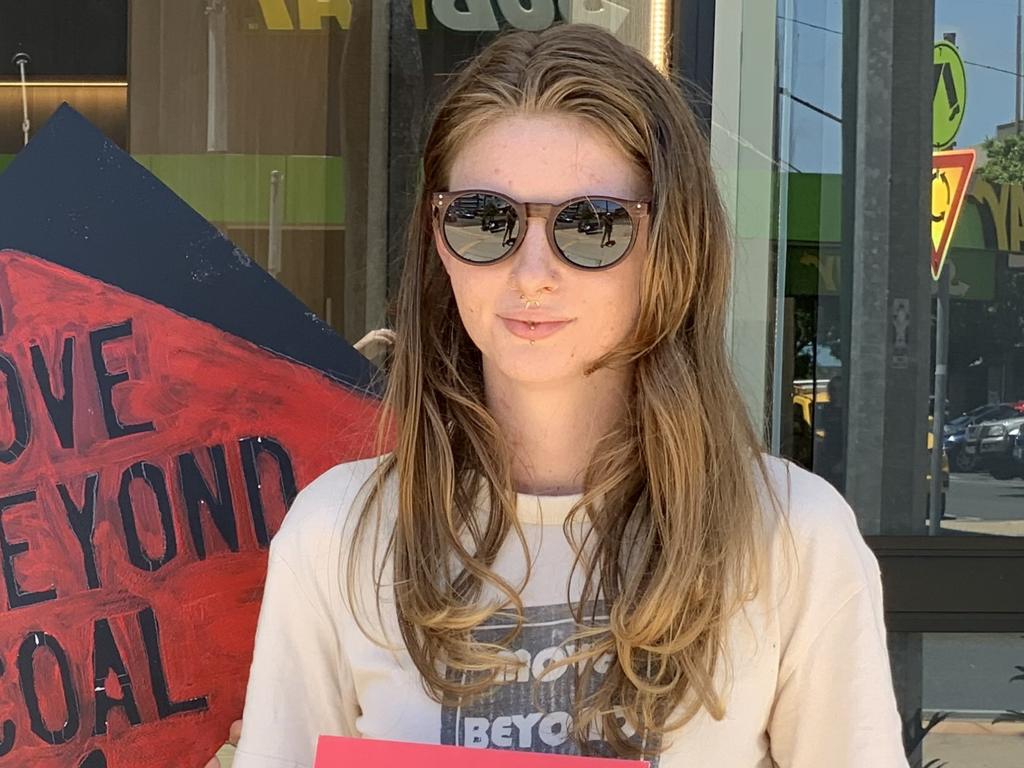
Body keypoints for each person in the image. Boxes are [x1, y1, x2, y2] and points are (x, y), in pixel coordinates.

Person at [216, 24, 908, 768]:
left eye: (593, 224)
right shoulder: (336, 537)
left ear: (671, 240)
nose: (533, 271)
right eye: (485, 220)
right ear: (437, 235)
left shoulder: (790, 538)